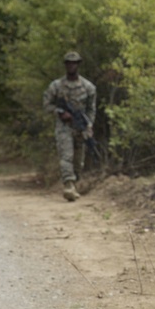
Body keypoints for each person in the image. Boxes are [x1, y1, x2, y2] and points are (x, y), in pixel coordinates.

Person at [43, 50, 97, 202]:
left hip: (80, 127)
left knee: (78, 160)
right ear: (65, 65)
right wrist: (60, 112)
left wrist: (89, 126)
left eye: (74, 63)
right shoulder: (57, 86)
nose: (71, 66)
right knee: (66, 156)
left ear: (78, 64)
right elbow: (47, 105)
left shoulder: (88, 87)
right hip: (64, 127)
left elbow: (91, 109)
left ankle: (74, 182)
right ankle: (68, 185)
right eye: (68, 63)